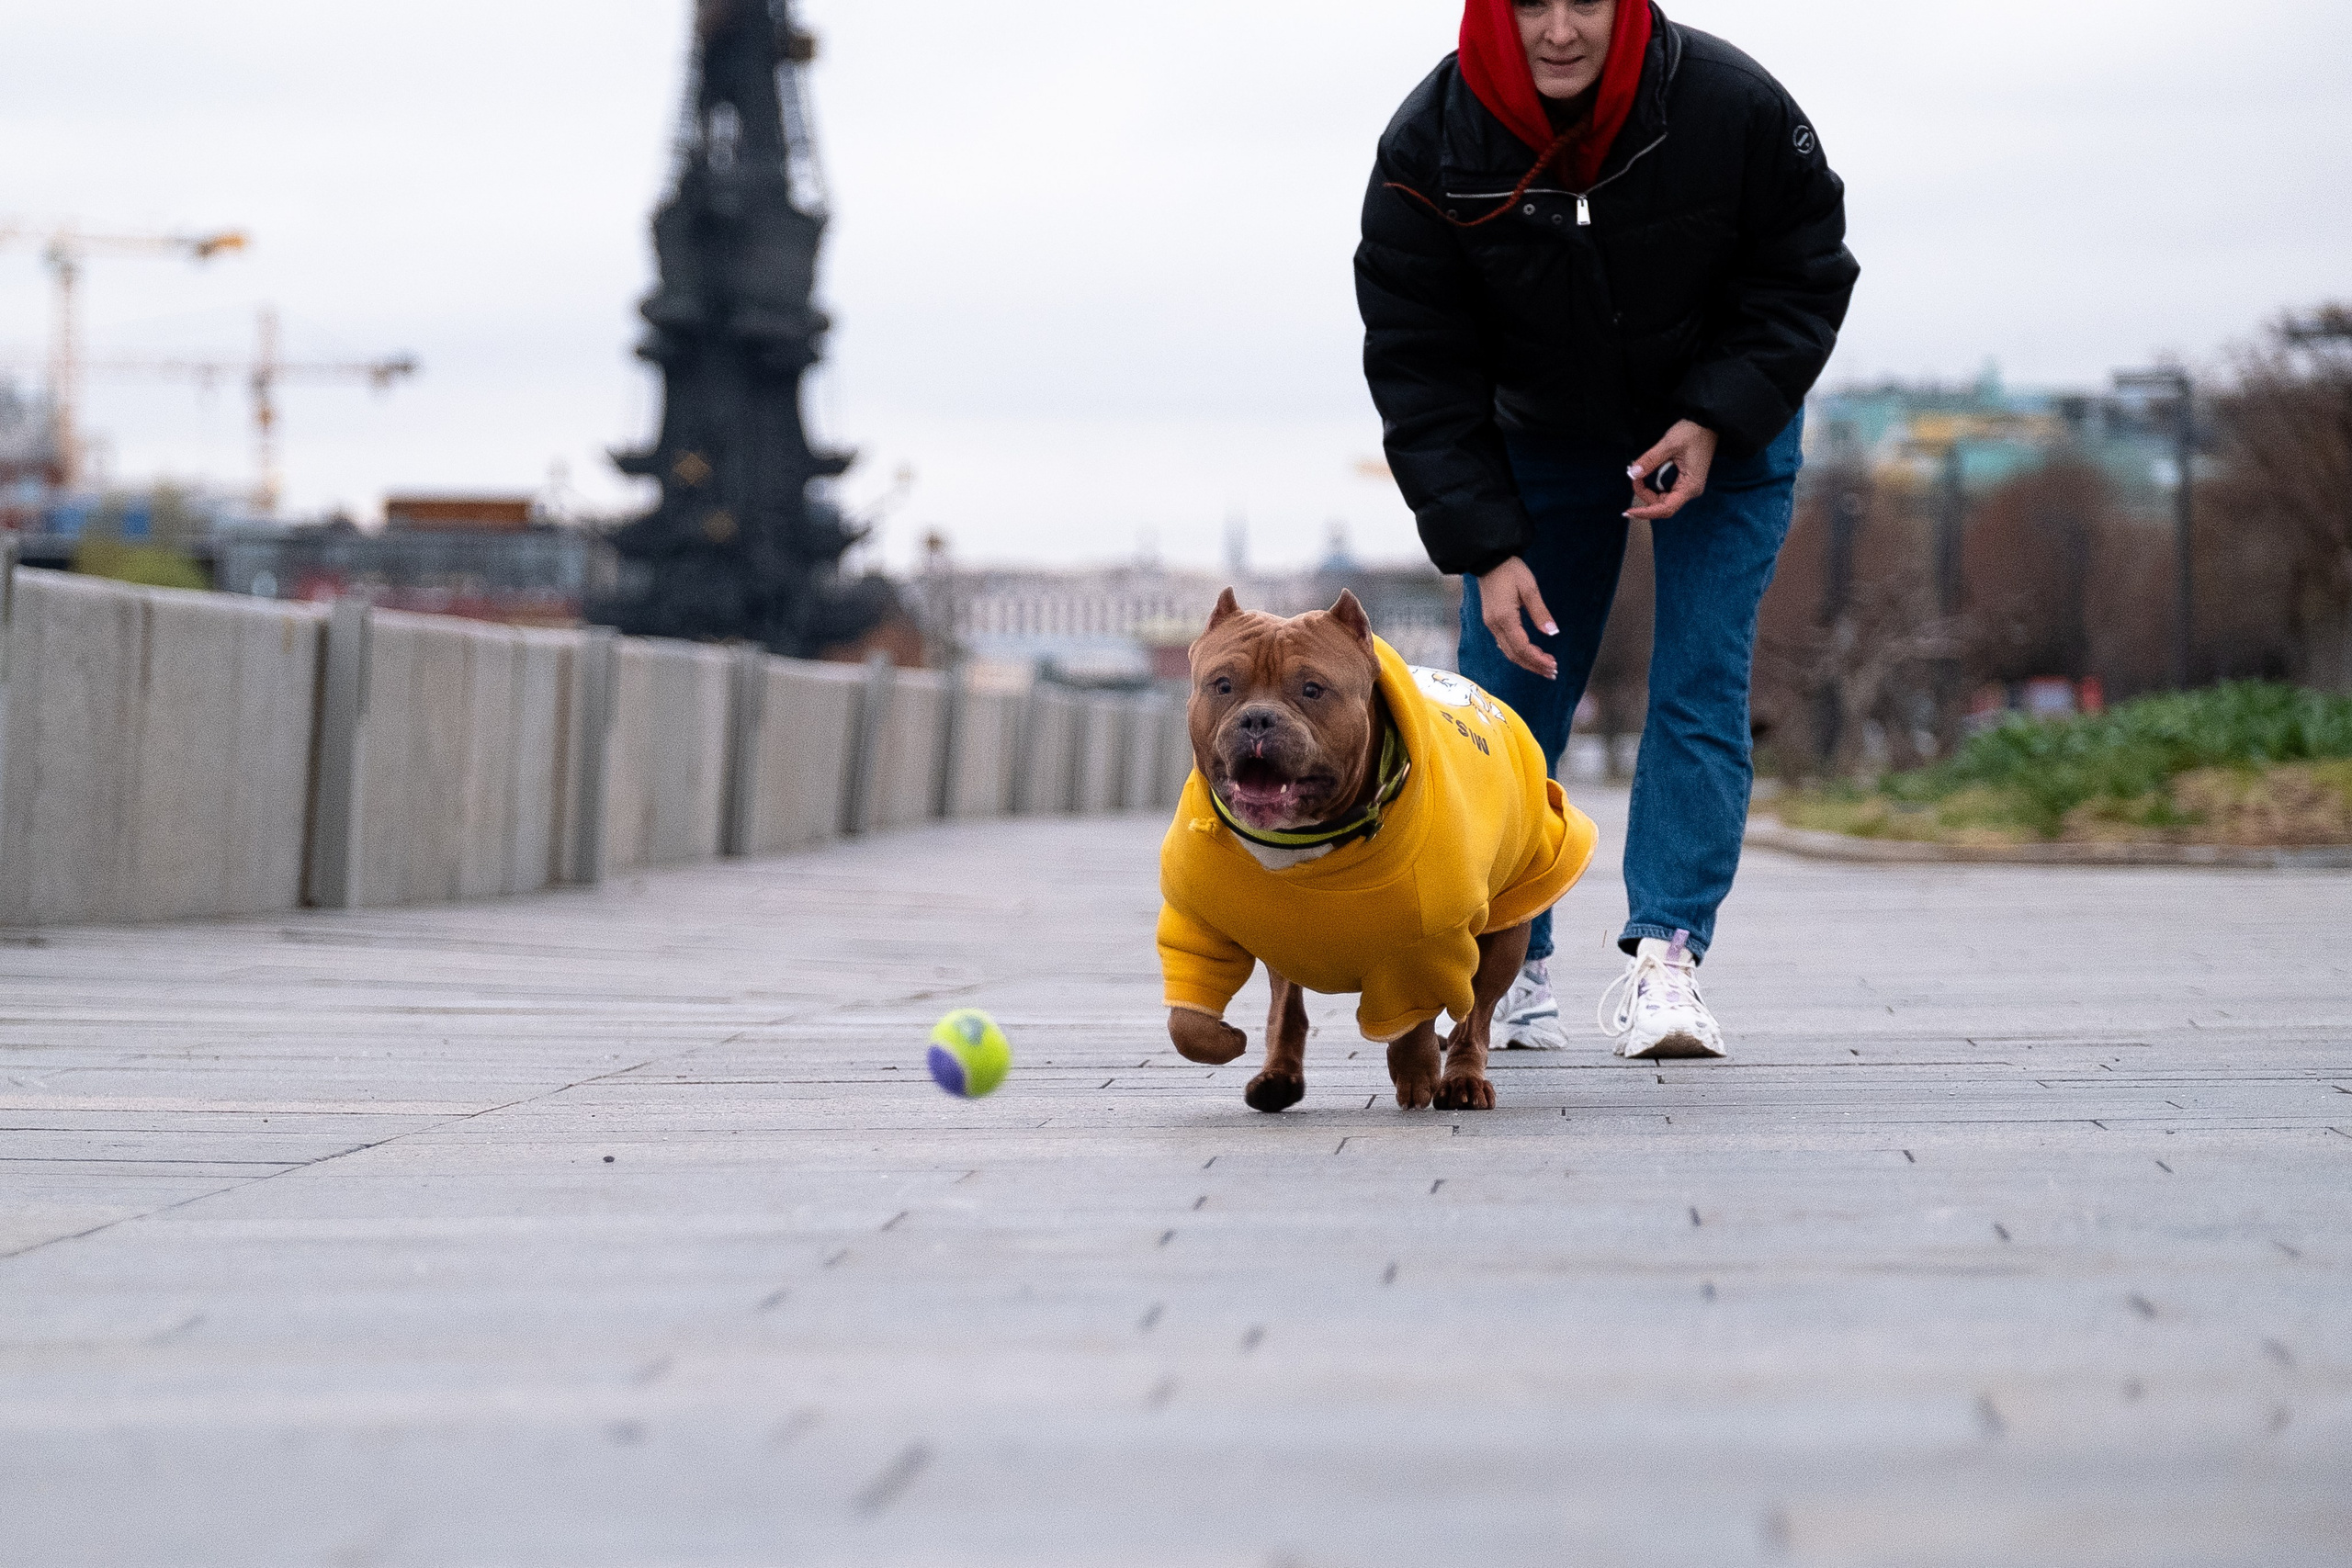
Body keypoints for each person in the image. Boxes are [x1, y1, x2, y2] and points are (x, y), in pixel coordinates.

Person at [1354, 0, 1859, 1058]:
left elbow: (1804, 268)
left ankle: (1666, 957)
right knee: (1506, 700)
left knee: (1699, 675)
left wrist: (1715, 416)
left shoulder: (1731, 103)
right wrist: (1487, 547)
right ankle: (1512, 959)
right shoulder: (1428, 143)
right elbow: (1419, 361)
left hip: (1727, 419)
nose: (1557, 29)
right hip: (1541, 438)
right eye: (1530, 2)